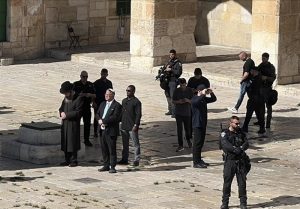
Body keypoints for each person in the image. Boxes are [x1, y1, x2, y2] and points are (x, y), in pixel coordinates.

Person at [220, 116, 250, 209]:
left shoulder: (241, 133)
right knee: (227, 183)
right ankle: (225, 203)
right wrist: (234, 149)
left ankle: (243, 202)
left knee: (242, 183)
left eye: (238, 123)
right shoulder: (225, 133)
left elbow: (246, 143)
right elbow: (225, 144)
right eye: (236, 123)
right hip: (230, 161)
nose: (238, 125)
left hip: (240, 161)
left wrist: (240, 148)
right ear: (231, 123)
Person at [96, 89, 122, 173]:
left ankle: (112, 166)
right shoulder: (103, 103)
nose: (106, 96)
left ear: (113, 95)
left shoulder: (117, 105)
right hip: (102, 130)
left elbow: (115, 117)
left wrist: (104, 121)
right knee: (104, 148)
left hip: (111, 130)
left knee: (112, 149)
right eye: (106, 94)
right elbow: (97, 114)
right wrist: (99, 120)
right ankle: (106, 165)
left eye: (108, 94)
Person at [59, 81, 83, 167]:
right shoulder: (65, 99)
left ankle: (74, 160)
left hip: (73, 124)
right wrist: (61, 112)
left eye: (66, 93)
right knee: (66, 142)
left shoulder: (78, 98)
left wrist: (67, 115)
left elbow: (78, 112)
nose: (65, 95)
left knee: (72, 142)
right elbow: (61, 108)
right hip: (65, 124)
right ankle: (67, 159)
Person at [191, 84, 217, 168]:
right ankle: (196, 162)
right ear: (199, 91)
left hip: (203, 123)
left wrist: (211, 92)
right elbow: (197, 101)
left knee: (201, 143)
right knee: (197, 143)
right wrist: (203, 94)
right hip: (197, 124)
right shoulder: (194, 99)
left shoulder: (203, 99)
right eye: (203, 91)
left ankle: (199, 159)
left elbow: (213, 99)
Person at [118, 85, 142, 166]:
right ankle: (124, 159)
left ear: (133, 91)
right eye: (126, 90)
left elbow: (138, 114)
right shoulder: (124, 101)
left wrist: (136, 125)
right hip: (124, 126)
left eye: (129, 91)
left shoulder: (136, 102)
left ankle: (136, 160)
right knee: (125, 144)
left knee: (136, 144)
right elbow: (121, 113)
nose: (127, 92)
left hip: (132, 126)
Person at [73, 71, 96, 146]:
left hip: (86, 107)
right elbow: (72, 94)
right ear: (80, 76)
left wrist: (90, 96)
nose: (85, 78)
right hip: (78, 108)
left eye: (86, 77)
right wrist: (81, 94)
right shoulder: (76, 84)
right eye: (83, 77)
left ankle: (86, 140)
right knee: (76, 124)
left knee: (87, 124)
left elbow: (95, 95)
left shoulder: (90, 84)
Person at [241, 67, 266, 134]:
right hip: (259, 99)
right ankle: (261, 128)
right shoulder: (257, 78)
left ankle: (245, 127)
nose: (251, 72)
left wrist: (247, 86)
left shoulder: (256, 79)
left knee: (251, 114)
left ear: (255, 71)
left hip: (255, 99)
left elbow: (250, 88)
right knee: (259, 115)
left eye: (252, 71)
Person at [255, 53, 276, 128]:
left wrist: (266, 78)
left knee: (269, 107)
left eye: (264, 58)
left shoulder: (271, 67)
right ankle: (261, 123)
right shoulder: (260, 66)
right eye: (262, 58)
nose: (263, 60)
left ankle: (268, 124)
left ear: (267, 58)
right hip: (261, 89)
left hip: (268, 89)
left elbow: (273, 78)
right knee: (261, 107)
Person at [172, 78, 193, 152]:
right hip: (179, 113)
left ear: (186, 84)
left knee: (188, 129)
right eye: (181, 85)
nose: (182, 87)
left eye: (183, 85)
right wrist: (179, 102)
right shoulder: (176, 91)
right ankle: (180, 145)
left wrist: (188, 100)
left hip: (187, 112)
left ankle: (188, 140)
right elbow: (173, 101)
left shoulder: (189, 90)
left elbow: (193, 101)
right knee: (179, 129)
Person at [162, 49, 182, 117]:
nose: (171, 56)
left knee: (173, 96)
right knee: (167, 95)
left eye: (172, 54)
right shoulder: (169, 61)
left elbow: (178, 72)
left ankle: (174, 112)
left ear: (175, 54)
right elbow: (164, 69)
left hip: (173, 81)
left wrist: (171, 70)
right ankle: (170, 110)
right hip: (167, 81)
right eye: (170, 54)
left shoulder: (178, 63)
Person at [93, 68, 113, 137]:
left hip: (106, 103)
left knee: (105, 116)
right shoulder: (96, 83)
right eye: (102, 74)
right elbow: (93, 93)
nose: (103, 75)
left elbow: (111, 93)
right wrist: (93, 102)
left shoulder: (109, 83)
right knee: (97, 117)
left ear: (107, 74)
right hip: (98, 102)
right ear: (101, 74)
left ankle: (102, 130)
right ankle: (95, 131)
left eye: (105, 74)